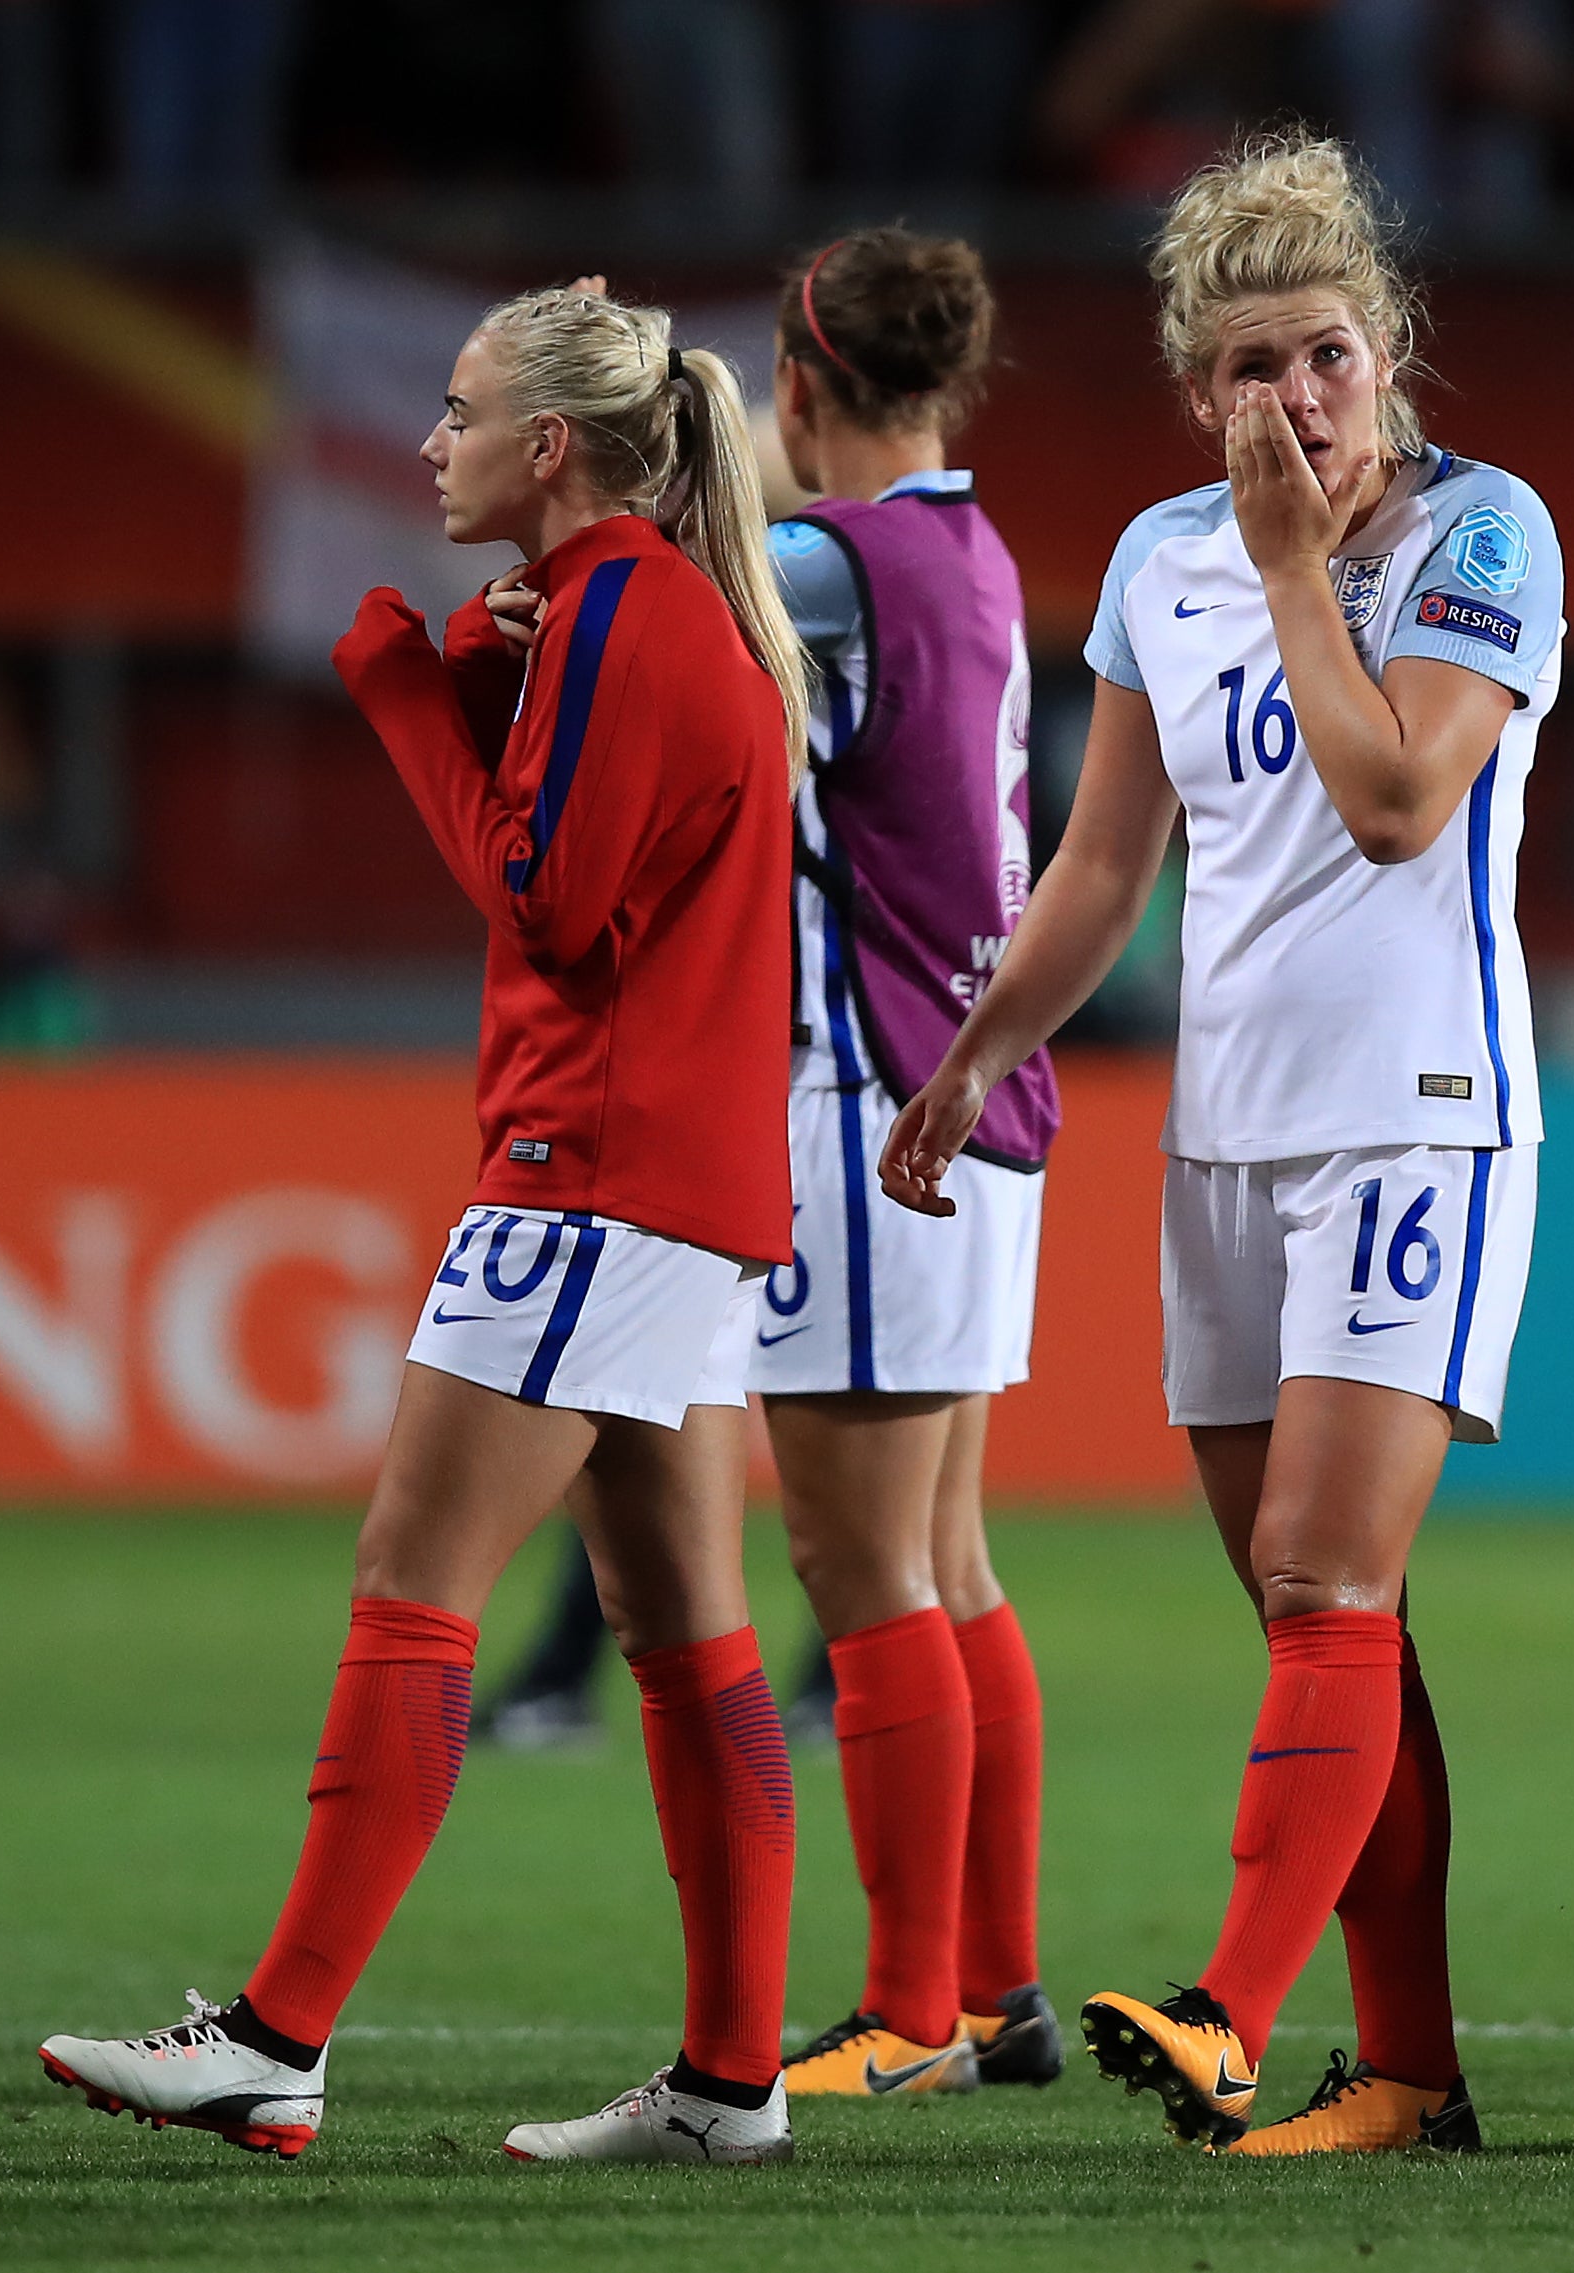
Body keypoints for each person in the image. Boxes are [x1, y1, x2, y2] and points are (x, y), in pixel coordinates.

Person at [36, 282, 818, 2168]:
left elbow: (544, 904)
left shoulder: (634, 606)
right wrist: (476, 669)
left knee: (417, 1570)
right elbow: (576, 853)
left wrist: (404, 687)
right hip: (682, 1185)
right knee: (684, 1627)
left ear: (552, 444)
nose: (430, 441)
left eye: (459, 411)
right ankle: (730, 2079)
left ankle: (276, 2035)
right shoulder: (644, 610)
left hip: (592, 1171)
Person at [877, 129, 1558, 2158]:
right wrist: (974, 1042)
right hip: (1228, 1137)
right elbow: (1104, 861)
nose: (1295, 401)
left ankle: (1233, 2010)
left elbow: (1396, 799)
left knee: (1325, 1574)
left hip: (1416, 1116)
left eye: (1328, 354)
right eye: (1251, 367)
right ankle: (1409, 2066)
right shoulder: (1159, 557)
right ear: (1196, 388)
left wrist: (1287, 570)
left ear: (1389, 351)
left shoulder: (1476, 533)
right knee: (1322, 1613)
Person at [686, 225, 1068, 2100]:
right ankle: (991, 1988)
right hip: (985, 1096)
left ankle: (913, 2006)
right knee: (951, 1560)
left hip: (866, 1105)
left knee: (862, 1573)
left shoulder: (826, 561)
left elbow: (675, 657)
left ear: (799, 382)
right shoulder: (971, 547)